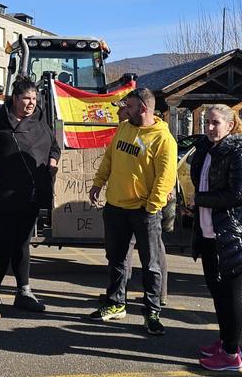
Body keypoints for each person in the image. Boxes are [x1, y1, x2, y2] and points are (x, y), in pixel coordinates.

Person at [88, 87, 177, 336]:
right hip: (116, 207)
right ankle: (116, 303)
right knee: (116, 259)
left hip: (143, 211)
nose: (125, 110)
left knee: (151, 264)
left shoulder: (162, 138)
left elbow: (165, 177)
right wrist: (98, 183)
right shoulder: (125, 128)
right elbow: (109, 158)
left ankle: (152, 312)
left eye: (130, 106)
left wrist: (151, 207)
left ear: (144, 108)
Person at [0, 78, 60, 319]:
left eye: (34, 99)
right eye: (26, 99)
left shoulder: (40, 119)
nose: (30, 103)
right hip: (2, 194)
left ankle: (24, 292)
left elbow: (54, 145)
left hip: (30, 193)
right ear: (14, 98)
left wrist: (53, 160)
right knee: (2, 244)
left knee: (22, 244)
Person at [185, 104, 242, 372]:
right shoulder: (207, 148)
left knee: (230, 297)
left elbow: (237, 194)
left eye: (215, 122)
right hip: (209, 231)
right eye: (206, 122)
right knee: (217, 294)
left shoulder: (238, 150)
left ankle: (231, 354)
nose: (208, 127)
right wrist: (195, 204)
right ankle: (225, 340)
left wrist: (201, 200)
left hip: (231, 234)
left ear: (230, 125)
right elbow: (201, 182)